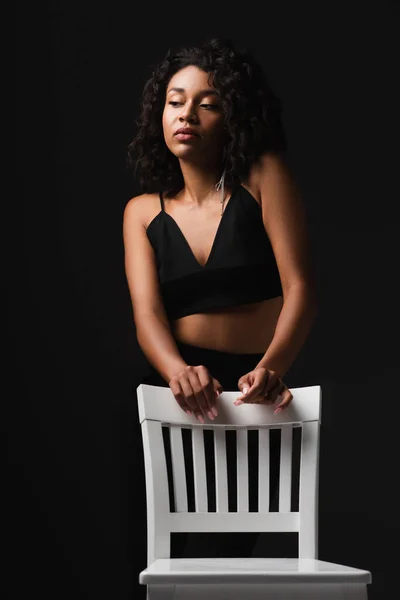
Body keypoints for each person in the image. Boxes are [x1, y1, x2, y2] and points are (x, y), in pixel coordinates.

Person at [123, 36, 318, 577]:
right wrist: (177, 372)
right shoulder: (141, 212)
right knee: (163, 561)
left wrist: (272, 369)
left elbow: (300, 288)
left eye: (207, 103)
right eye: (175, 101)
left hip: (257, 389)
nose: (186, 114)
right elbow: (147, 315)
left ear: (233, 115)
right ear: (159, 114)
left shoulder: (262, 178)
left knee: (225, 565)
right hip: (178, 390)